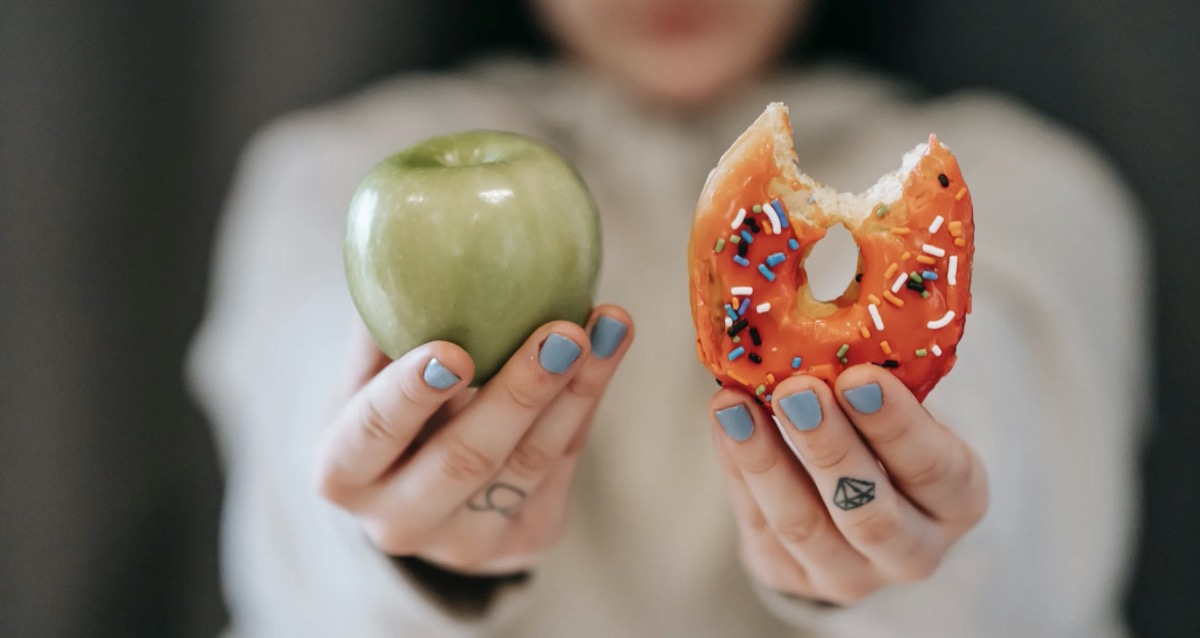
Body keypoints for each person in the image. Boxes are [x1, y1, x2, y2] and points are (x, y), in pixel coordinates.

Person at [187, 0, 1149, 636]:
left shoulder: (1031, 183)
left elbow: (1021, 474)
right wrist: (400, 546)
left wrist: (912, 548)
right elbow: (294, 489)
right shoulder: (325, 173)